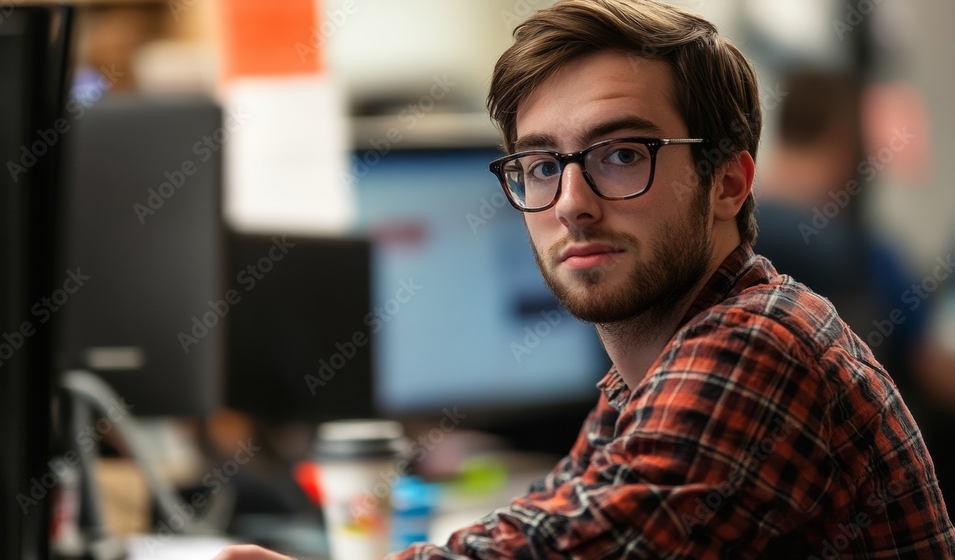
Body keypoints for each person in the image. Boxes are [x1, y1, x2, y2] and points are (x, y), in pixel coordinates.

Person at [217, 0, 955, 557]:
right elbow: (553, 512)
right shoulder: (648, 369)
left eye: (622, 154)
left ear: (729, 182)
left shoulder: (756, 342)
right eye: (541, 166)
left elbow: (586, 544)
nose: (571, 204)